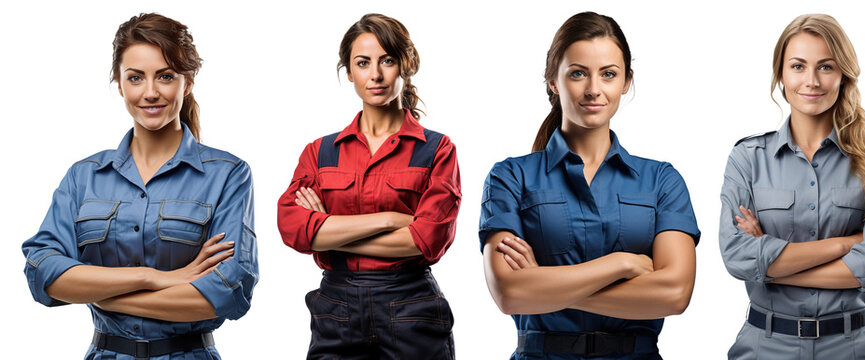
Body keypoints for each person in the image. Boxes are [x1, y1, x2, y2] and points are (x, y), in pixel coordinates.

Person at [21, 13, 258, 360]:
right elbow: (42, 273)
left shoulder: (227, 174)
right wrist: (155, 277)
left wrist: (98, 292)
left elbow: (227, 291)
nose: (150, 93)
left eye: (165, 76)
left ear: (187, 82)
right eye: (136, 78)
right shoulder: (83, 176)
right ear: (119, 83)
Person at [479, 12, 701, 360]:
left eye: (608, 74)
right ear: (553, 80)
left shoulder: (661, 180)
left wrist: (543, 286)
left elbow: (674, 293)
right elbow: (508, 293)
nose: (594, 89)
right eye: (578, 73)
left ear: (626, 81)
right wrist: (622, 264)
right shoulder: (510, 177)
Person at [719, 13, 865, 360]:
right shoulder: (748, 158)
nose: (811, 81)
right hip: (765, 346)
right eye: (798, 66)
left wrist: (772, 263)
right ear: (780, 74)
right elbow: (737, 256)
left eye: (825, 66)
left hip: (852, 346)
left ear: (843, 75)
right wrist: (846, 244)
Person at [277, 13, 460, 360]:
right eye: (363, 63)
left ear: (406, 65)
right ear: (349, 72)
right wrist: (392, 220)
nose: (375, 75)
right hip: (336, 308)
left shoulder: (438, 149)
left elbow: (428, 239)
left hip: (411, 305)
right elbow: (293, 229)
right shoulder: (320, 152)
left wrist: (329, 229)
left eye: (387, 61)